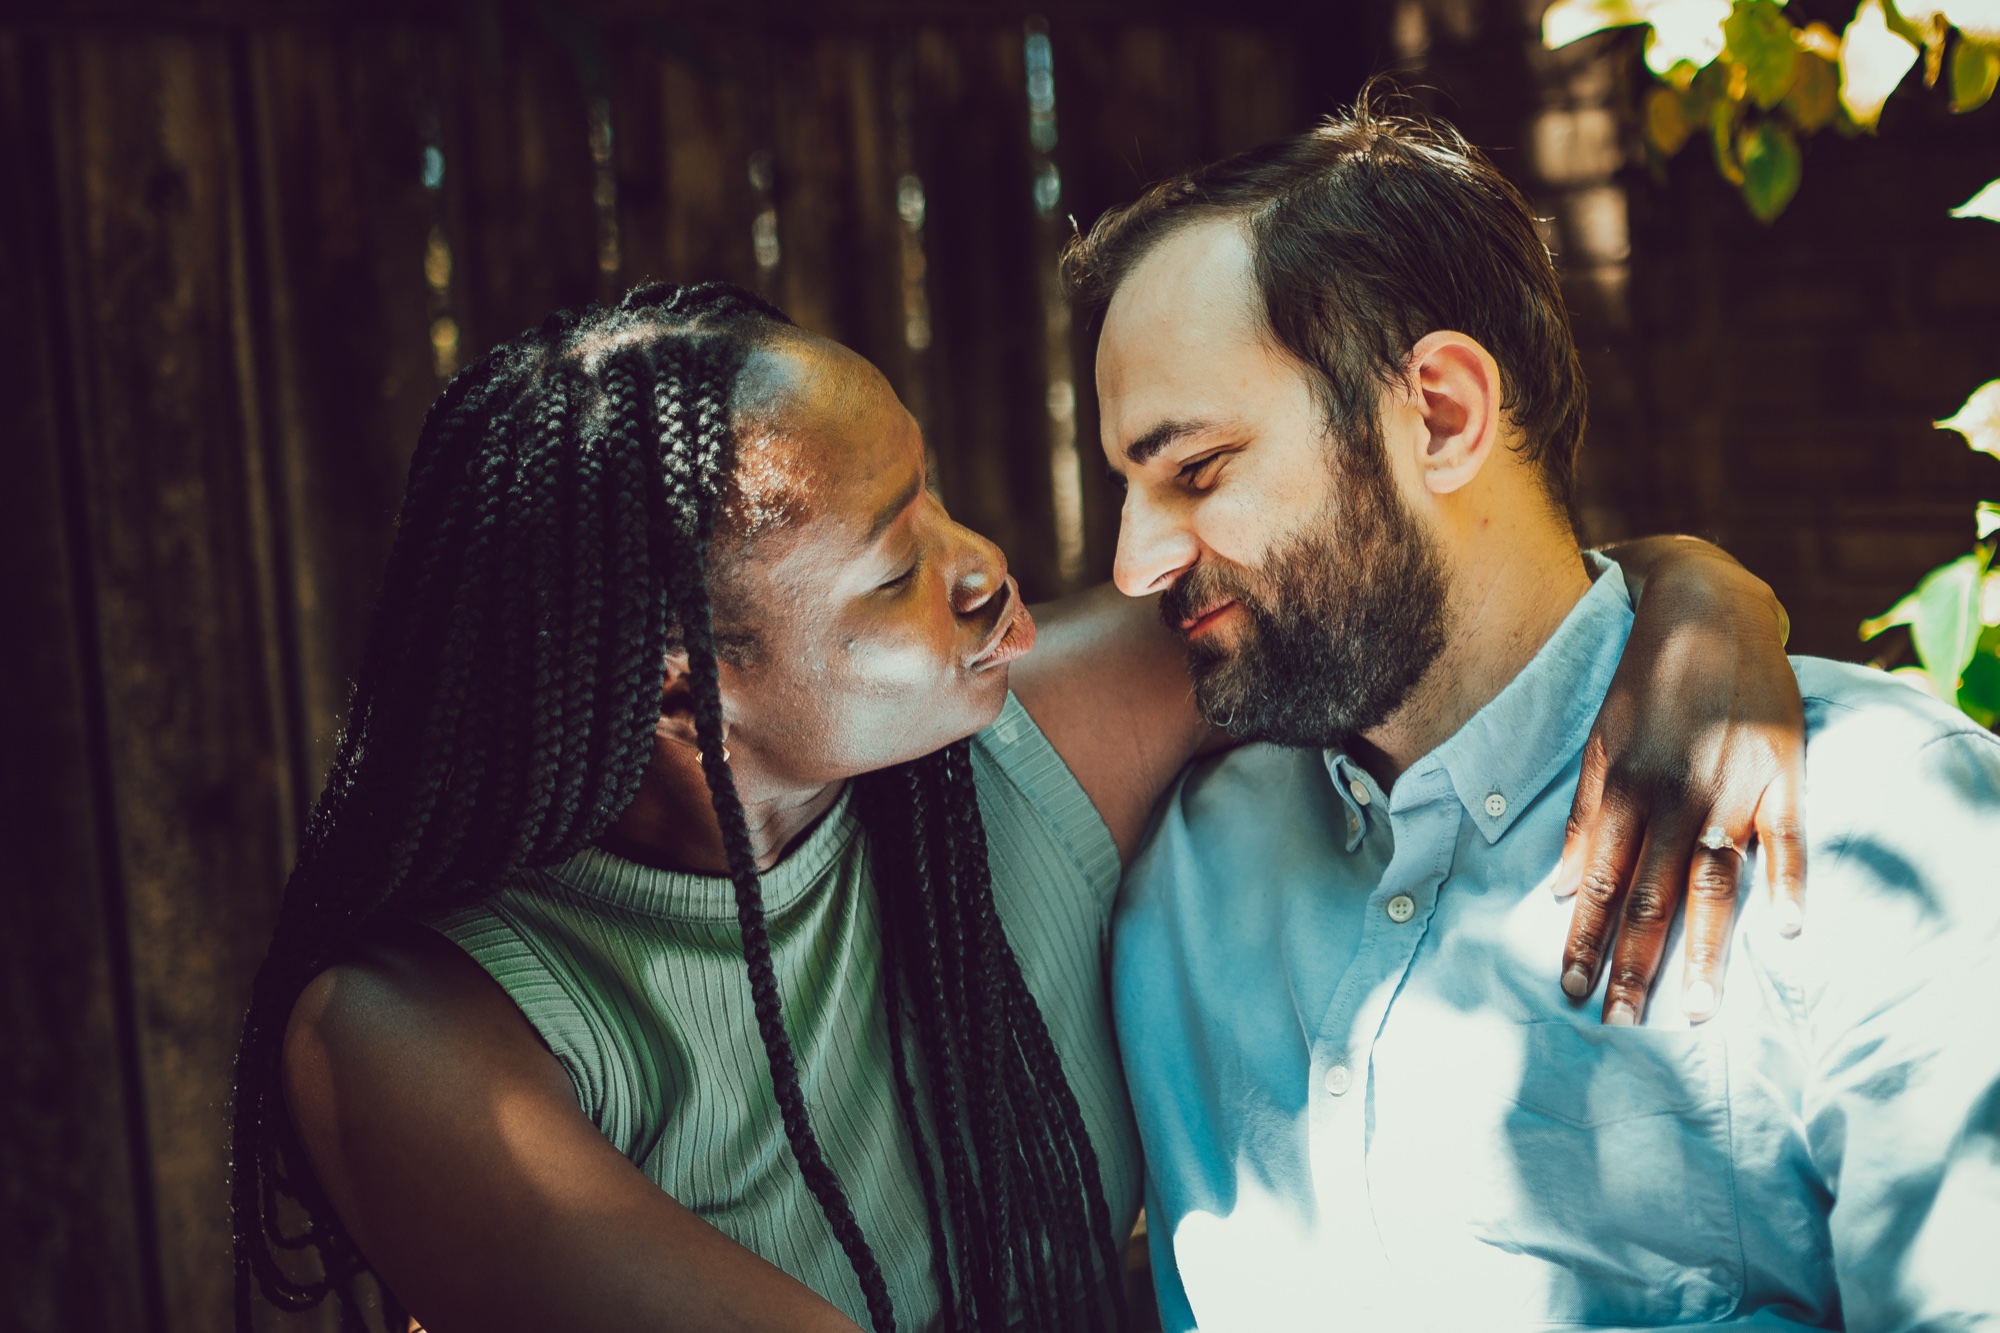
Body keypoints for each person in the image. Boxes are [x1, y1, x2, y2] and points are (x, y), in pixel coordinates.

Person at [242, 283, 1802, 1333]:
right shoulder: (419, 1036)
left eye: (932, 495)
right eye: (893, 566)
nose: (988, 565)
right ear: (668, 684)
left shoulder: (1024, 742)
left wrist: (1698, 606)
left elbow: (1445, 593)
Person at [1075, 100, 2000, 1330]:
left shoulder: (1887, 832)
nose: (1134, 559)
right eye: (1128, 485)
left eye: (1196, 469)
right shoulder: (1161, 857)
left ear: (1442, 415)